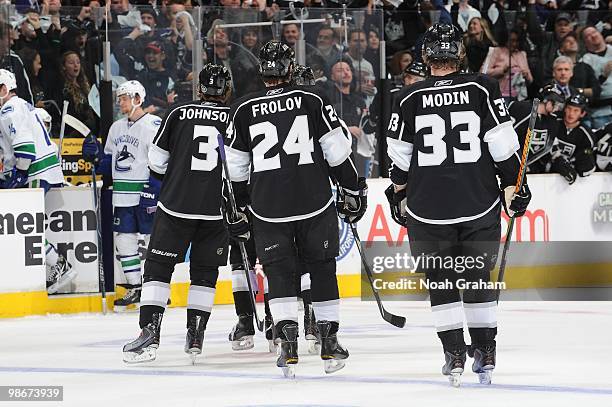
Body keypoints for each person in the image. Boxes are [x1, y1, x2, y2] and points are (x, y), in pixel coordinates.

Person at [385, 24, 531, 387]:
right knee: (477, 278)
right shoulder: (483, 87)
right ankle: (485, 352)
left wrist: (399, 193)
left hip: (427, 206)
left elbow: (398, 161)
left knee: (441, 279)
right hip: (477, 200)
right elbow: (501, 144)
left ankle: (453, 354)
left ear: (426, 57)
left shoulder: (408, 97)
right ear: (459, 54)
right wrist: (516, 185)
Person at [225, 41, 366, 377]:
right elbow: (336, 152)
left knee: (280, 273)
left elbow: (234, 169)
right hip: (313, 203)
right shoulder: (313, 99)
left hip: (268, 209)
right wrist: (352, 188)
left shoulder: (243, 108)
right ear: (290, 68)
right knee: (321, 270)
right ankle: (328, 341)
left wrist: (242, 207)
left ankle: (287, 342)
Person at [121, 65, 231, 364]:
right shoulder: (233, 118)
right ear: (225, 90)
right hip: (216, 210)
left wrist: (178, 179)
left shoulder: (178, 113)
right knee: (205, 274)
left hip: (176, 207)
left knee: (158, 270)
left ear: (200, 89)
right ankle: (195, 336)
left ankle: (149, 334)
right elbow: (241, 167)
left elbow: (156, 164)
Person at [82, 81, 162, 310]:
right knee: (123, 240)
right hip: (122, 195)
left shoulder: (152, 125)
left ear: (138, 98)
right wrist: (96, 159)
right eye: (119, 98)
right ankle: (135, 287)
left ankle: (156, 289)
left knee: (151, 241)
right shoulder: (116, 128)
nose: (120, 102)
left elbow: (162, 160)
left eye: (124, 98)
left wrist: (154, 186)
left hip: (146, 193)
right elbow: (109, 162)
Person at [0, 69, 70, 294]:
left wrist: (19, 174)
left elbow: (25, 148)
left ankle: (59, 264)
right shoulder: (18, 105)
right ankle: (58, 264)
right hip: (41, 169)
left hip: (35, 170)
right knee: (26, 225)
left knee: (26, 226)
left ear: (4, 88)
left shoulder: (10, 109)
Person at [509, 84, 566, 174]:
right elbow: (505, 136)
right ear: (547, 100)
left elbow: (551, 145)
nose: (557, 108)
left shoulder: (551, 120)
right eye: (556, 104)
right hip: (506, 165)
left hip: (524, 168)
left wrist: (561, 163)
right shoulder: (523, 109)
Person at [550, 93, 596, 184]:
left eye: (576, 110)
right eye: (569, 109)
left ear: (582, 113)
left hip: (569, 176)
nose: (571, 114)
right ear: (565, 109)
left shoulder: (586, 135)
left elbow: (587, 160)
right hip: (546, 169)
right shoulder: (553, 123)